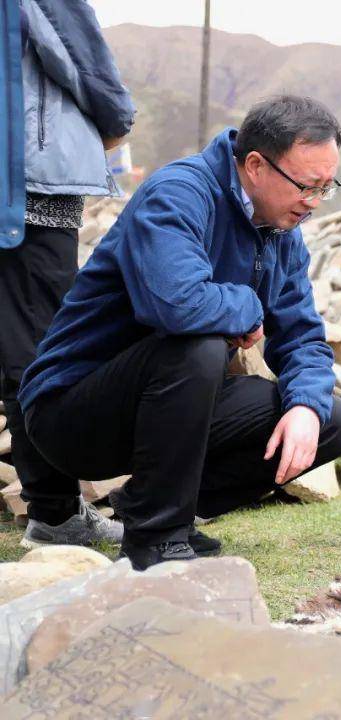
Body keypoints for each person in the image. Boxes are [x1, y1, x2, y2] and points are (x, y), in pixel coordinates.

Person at [18, 96, 341, 570]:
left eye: (327, 187)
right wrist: (247, 305)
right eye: (306, 186)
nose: (314, 203)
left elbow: (302, 338)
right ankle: (156, 540)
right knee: (199, 345)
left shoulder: (283, 232)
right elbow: (176, 305)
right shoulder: (179, 194)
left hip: (171, 405)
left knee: (328, 419)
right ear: (255, 165)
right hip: (72, 412)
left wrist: (304, 407)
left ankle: (150, 509)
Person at [1, 0, 135, 548]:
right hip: (26, 183)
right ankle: (55, 513)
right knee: (37, 348)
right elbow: (82, 58)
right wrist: (117, 120)